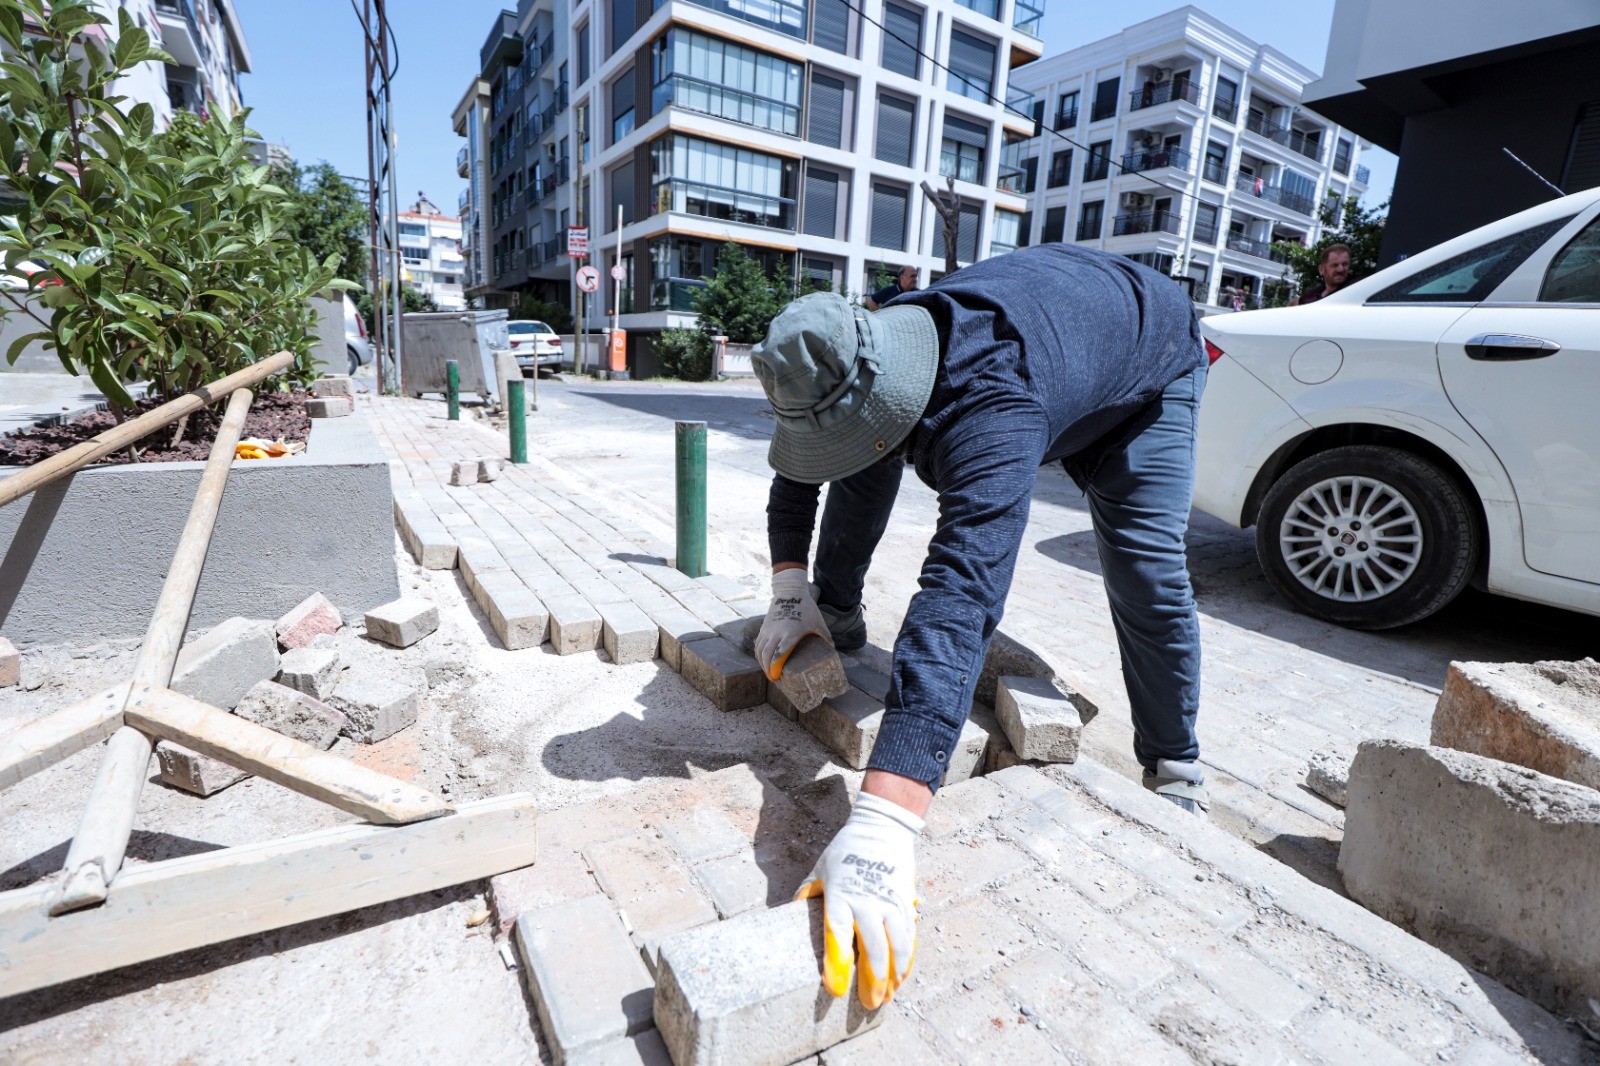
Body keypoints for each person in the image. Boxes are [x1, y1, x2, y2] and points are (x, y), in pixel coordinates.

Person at [750, 243, 1209, 1011]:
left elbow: (961, 588)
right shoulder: (869, 345)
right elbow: (799, 474)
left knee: (1145, 565)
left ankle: (1177, 769)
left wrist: (889, 813)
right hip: (1061, 336)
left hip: (1147, 356)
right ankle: (835, 609)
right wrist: (789, 588)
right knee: (864, 454)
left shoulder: (991, 408)